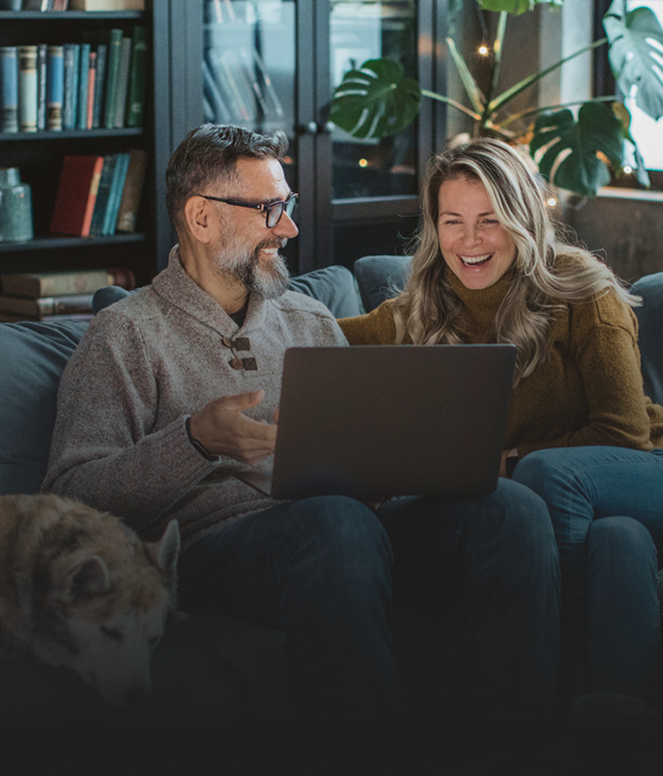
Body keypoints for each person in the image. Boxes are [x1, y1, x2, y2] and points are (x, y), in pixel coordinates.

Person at [41, 124, 560, 726]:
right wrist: (195, 442)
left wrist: (391, 466)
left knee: (512, 509)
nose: (287, 227)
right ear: (201, 217)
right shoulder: (125, 335)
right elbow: (70, 494)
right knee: (336, 523)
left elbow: (363, 460)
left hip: (348, 526)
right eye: (268, 209)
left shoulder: (310, 319)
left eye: (285, 207)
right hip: (218, 551)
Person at [339, 137, 663, 708]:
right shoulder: (423, 306)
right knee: (618, 541)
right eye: (452, 221)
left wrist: (509, 461)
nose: (469, 240)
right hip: (594, 512)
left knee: (545, 477)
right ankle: (609, 724)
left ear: (522, 219)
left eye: (490, 220)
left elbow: (625, 433)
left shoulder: (581, 286)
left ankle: (560, 680)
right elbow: (327, 340)